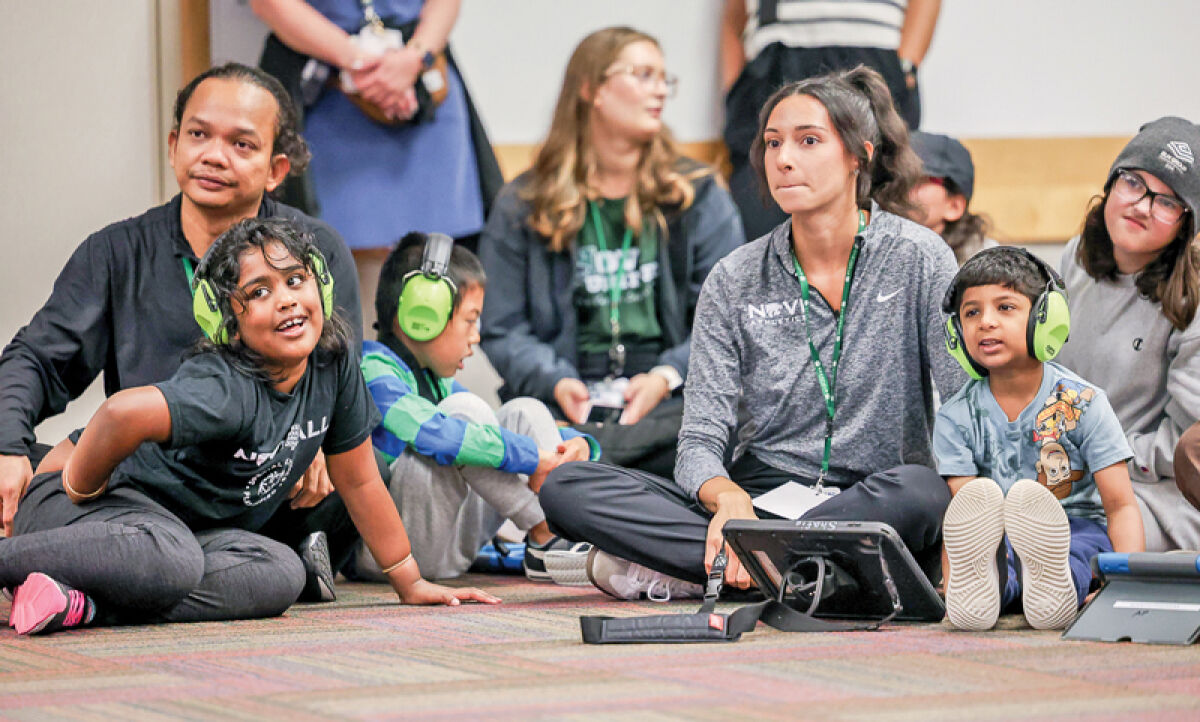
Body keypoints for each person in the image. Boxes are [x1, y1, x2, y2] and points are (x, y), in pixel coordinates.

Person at [540, 66, 966, 601]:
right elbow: (699, 440)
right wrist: (728, 500)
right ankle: (807, 571)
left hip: (875, 495)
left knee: (923, 492)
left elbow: (962, 408)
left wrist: (965, 526)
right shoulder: (736, 277)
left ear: (859, 155)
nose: (783, 159)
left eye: (808, 141)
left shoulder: (919, 257)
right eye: (772, 143)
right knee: (568, 488)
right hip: (761, 492)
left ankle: (732, 566)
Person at [0, 219, 497, 636]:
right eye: (259, 292)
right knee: (170, 558)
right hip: (92, 509)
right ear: (228, 323)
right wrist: (77, 487)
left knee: (278, 573)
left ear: (320, 284)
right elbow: (119, 414)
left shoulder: (334, 358)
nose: (286, 300)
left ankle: (80, 603)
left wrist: (410, 581)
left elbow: (360, 479)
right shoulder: (225, 386)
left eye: (296, 280)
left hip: (189, 535)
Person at [0, 64, 363, 592]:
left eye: (242, 144)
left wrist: (319, 442)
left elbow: (346, 374)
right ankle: (157, 566)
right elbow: (35, 358)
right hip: (144, 489)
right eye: (198, 135)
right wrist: (7, 449)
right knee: (40, 474)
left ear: (276, 168)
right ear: (174, 145)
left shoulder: (317, 250)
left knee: (367, 475)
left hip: (264, 487)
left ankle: (116, 577)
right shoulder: (117, 253)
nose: (214, 155)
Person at [478, 27, 744, 480]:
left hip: (670, 401)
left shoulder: (697, 194)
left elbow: (728, 316)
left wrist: (665, 376)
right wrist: (555, 380)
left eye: (664, 79)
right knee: (522, 428)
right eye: (643, 74)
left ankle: (590, 467)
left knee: (718, 437)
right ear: (592, 89)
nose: (660, 89)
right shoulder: (524, 202)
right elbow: (501, 326)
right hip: (564, 397)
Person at [354, 232, 599, 582]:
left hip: (442, 544)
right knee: (466, 414)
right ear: (422, 315)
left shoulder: (437, 382)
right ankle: (547, 530)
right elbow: (436, 435)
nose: (476, 335)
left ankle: (558, 538)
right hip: (392, 555)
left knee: (522, 412)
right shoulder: (373, 371)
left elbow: (494, 435)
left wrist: (576, 444)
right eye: (470, 320)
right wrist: (533, 457)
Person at [932, 247, 1143, 631]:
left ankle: (1053, 585)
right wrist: (950, 584)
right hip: (1000, 536)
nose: (986, 323)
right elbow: (965, 519)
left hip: (1078, 525)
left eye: (1005, 308)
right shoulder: (954, 416)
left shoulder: (1084, 403)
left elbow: (1120, 505)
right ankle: (994, 594)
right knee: (996, 556)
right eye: (971, 312)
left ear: (1046, 320)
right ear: (956, 332)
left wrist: (1125, 585)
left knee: (1079, 552)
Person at [1054, 117, 1200, 551]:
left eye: (1167, 202)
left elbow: (1187, 447)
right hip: (1066, 472)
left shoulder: (1192, 299)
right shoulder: (1074, 259)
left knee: (1067, 543)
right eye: (1133, 182)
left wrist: (1097, 455)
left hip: (1154, 496)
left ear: (1185, 224)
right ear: (1112, 184)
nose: (1141, 205)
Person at [721, 0, 941, 241]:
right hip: (774, 60)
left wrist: (906, 66)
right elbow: (734, 14)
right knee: (764, 221)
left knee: (881, 217)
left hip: (870, 51)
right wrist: (736, 88)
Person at [909, 131, 994, 264]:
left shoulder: (986, 268)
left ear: (954, 206)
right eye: (895, 177)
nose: (898, 188)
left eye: (917, 180)